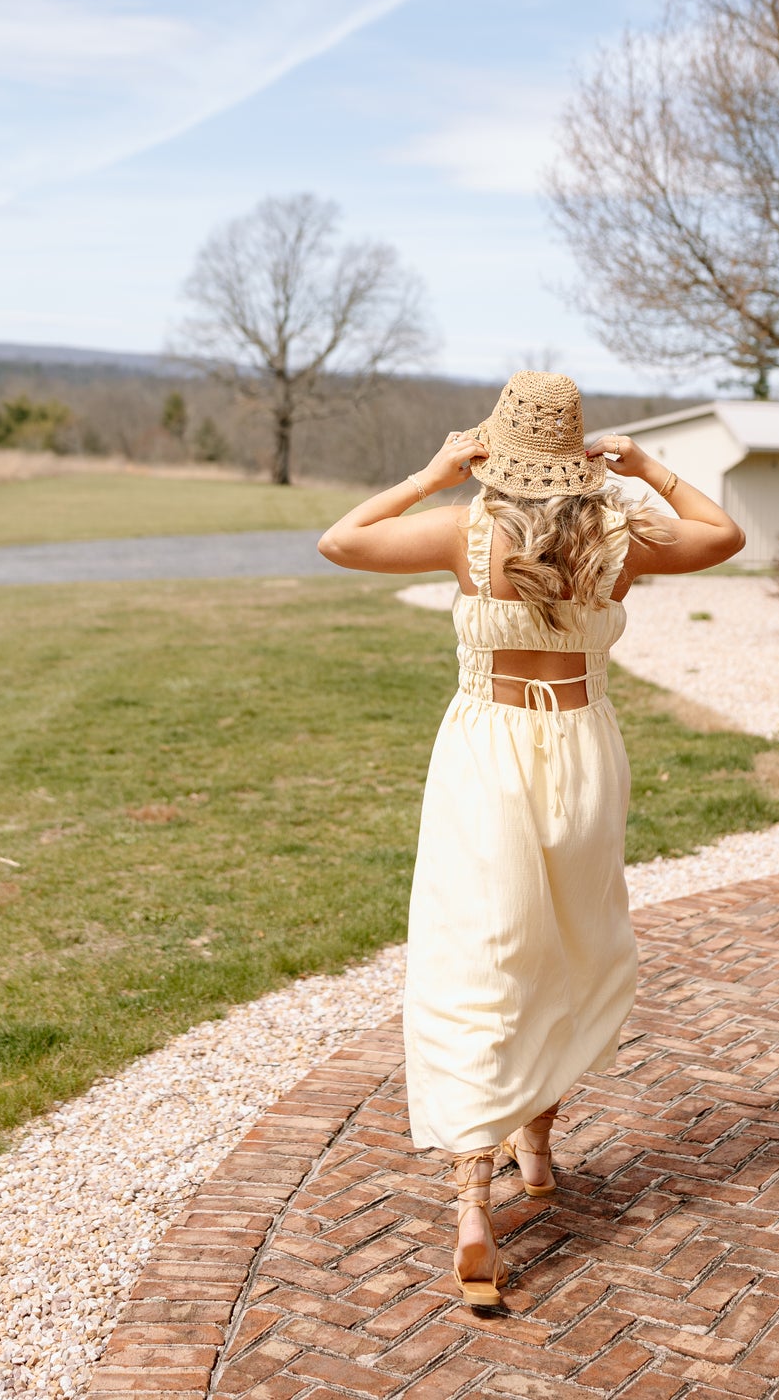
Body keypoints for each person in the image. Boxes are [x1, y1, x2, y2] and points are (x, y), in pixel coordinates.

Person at [317, 370, 744, 1308]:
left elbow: (340, 540)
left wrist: (432, 473)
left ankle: (474, 1205)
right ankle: (538, 1149)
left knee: (480, 959)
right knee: (565, 948)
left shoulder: (468, 532)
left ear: (497, 454)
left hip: (488, 753)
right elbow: (724, 535)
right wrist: (645, 467)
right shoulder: (617, 534)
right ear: (579, 455)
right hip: (584, 748)